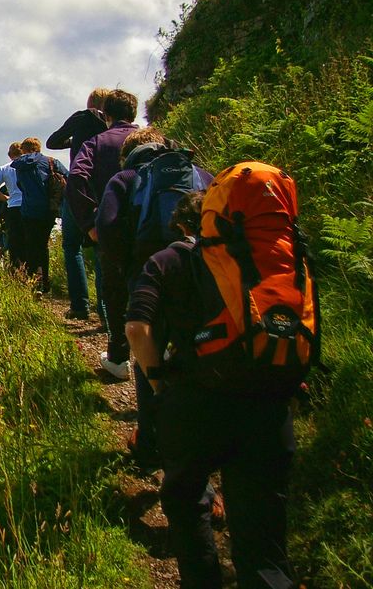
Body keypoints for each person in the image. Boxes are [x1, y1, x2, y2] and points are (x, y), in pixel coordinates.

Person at [125, 192, 297, 588]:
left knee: (187, 506)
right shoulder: (271, 259)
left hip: (194, 404)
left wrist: (157, 382)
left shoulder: (168, 261)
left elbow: (136, 328)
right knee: (264, 536)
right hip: (269, 404)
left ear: (186, 225)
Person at [95, 129, 213, 465]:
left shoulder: (125, 177)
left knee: (150, 351)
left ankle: (150, 442)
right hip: (205, 270)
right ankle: (207, 441)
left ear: (128, 153)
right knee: (202, 348)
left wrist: (129, 265)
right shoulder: (200, 174)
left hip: (148, 271)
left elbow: (107, 228)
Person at [66, 88, 140, 379]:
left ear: (105, 115)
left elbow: (76, 178)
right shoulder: (156, 139)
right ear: (133, 113)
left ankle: (120, 359)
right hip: (157, 228)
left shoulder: (97, 142)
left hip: (113, 226)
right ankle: (167, 353)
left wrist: (89, 223)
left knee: (116, 292)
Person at [46, 89, 109, 320]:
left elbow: (52, 142)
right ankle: (106, 313)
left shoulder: (82, 117)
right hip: (105, 187)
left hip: (79, 186)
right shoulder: (111, 123)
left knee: (72, 246)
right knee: (103, 247)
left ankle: (80, 306)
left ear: (90, 102)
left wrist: (74, 142)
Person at [11, 137, 69, 292]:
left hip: (28, 210)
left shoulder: (19, 166)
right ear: (38, 148)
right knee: (43, 245)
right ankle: (45, 283)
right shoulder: (51, 162)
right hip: (48, 209)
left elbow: (20, 186)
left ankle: (33, 282)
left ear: (24, 149)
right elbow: (68, 176)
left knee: (31, 245)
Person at [0, 142, 26, 272]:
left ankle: (16, 274)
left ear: (10, 155)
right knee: (30, 240)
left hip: (13, 207)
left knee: (15, 243)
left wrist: (7, 199)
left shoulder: (4, 169)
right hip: (29, 206)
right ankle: (34, 276)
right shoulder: (30, 165)